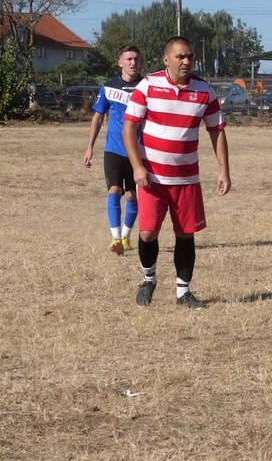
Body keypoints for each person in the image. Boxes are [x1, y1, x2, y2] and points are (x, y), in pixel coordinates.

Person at [122, 37, 231, 310]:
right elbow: (129, 129)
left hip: (186, 180)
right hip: (152, 179)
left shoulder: (205, 91)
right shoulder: (148, 86)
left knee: (185, 234)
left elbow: (217, 131)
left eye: (189, 57)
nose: (186, 61)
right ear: (166, 59)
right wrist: (137, 167)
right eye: (180, 56)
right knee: (148, 233)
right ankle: (149, 280)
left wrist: (223, 170)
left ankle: (184, 293)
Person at [83, 45, 143, 254]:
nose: (133, 62)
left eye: (136, 59)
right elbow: (98, 117)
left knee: (133, 196)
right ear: (120, 63)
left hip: (138, 151)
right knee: (114, 191)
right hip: (114, 150)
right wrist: (90, 147)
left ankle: (126, 236)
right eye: (128, 59)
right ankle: (116, 238)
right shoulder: (108, 88)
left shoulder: (147, 87)